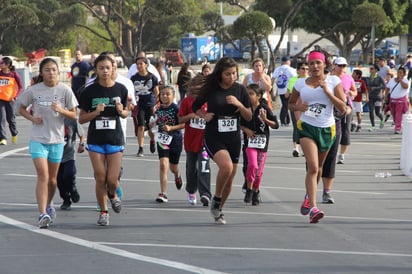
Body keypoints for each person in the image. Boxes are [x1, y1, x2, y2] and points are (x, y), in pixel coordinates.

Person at [18, 58, 78, 228]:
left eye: (53, 70)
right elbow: (20, 107)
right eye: (47, 70)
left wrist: (61, 110)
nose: (51, 73)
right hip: (38, 139)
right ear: (41, 73)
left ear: (58, 72)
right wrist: (31, 118)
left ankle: (49, 204)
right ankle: (42, 213)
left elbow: (74, 115)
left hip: (57, 140)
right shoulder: (34, 90)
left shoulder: (64, 90)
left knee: (52, 180)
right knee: (43, 176)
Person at [192, 57, 252, 224]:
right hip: (214, 135)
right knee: (225, 167)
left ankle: (218, 210)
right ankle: (216, 199)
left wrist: (239, 105)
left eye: (234, 73)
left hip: (233, 138)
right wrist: (204, 115)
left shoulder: (240, 90)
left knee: (230, 177)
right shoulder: (211, 89)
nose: (232, 77)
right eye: (228, 74)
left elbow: (248, 115)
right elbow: (195, 106)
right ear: (220, 74)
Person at [288, 50, 346, 223]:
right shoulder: (300, 84)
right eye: (311, 63)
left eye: (317, 63)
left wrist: (328, 92)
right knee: (312, 167)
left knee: (319, 168)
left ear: (324, 65)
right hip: (307, 128)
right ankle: (313, 208)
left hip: (327, 129)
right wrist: (300, 108)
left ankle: (308, 197)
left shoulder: (334, 81)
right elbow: (291, 104)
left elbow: (342, 107)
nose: (314, 66)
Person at [78, 54, 129, 226]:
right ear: (96, 70)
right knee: (100, 178)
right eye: (101, 68)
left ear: (113, 68)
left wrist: (122, 111)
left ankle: (113, 195)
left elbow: (126, 113)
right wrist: (96, 112)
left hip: (115, 139)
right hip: (96, 140)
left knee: (112, 180)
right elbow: (82, 118)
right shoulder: (89, 91)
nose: (105, 71)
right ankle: (103, 211)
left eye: (108, 67)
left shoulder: (121, 89)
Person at [241, 84, 278, 205]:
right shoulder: (245, 108)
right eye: (247, 94)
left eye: (251, 94)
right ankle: (249, 189)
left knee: (259, 171)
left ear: (258, 96)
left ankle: (256, 191)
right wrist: (246, 131)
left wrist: (265, 119)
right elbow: (238, 123)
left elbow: (275, 124)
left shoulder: (264, 108)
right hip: (250, 143)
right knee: (252, 165)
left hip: (262, 144)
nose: (248, 96)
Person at [179, 76, 212, 206]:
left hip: (206, 142)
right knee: (191, 169)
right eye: (198, 86)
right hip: (190, 141)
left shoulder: (210, 101)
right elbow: (180, 119)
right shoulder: (187, 101)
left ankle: (205, 194)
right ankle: (191, 190)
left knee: (204, 167)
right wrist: (191, 116)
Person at [151, 85, 185, 203]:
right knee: (163, 165)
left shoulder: (176, 108)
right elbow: (153, 122)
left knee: (173, 167)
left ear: (173, 96)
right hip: (162, 139)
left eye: (167, 94)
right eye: (162, 94)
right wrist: (152, 125)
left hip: (175, 139)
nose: (164, 96)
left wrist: (171, 127)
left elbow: (183, 124)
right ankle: (163, 193)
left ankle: (177, 175)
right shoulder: (157, 109)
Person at [130, 56, 159, 157]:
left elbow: (156, 92)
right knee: (141, 126)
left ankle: (152, 140)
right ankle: (141, 148)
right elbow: (131, 92)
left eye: (141, 64)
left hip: (150, 105)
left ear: (146, 65)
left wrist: (157, 103)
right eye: (137, 64)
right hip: (139, 106)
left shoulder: (152, 77)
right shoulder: (134, 78)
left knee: (151, 127)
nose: (139, 66)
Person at [57, 119, 86, 210]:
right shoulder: (51, 119)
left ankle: (73, 188)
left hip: (69, 154)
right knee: (59, 180)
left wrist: (82, 144)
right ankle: (66, 199)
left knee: (69, 174)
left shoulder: (72, 120)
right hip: (55, 155)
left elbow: (81, 134)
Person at [333, 57, 357, 165]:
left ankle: (341, 154)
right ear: (334, 65)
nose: (342, 68)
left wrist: (353, 93)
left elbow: (354, 90)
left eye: (344, 66)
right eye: (340, 65)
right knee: (332, 132)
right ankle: (331, 152)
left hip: (347, 106)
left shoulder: (348, 78)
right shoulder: (329, 77)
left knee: (345, 131)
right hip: (332, 107)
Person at [287, 62, 309, 157]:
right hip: (296, 106)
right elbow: (288, 94)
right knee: (297, 127)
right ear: (298, 70)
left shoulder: (311, 80)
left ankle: (306, 148)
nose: (305, 71)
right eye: (303, 68)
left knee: (307, 128)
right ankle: (295, 148)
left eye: (307, 69)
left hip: (307, 107)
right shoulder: (294, 80)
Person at [0, 57, 23, 145]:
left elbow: (20, 87)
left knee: (11, 119)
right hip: (0, 99)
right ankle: (3, 138)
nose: (0, 64)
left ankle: (14, 133)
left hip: (10, 99)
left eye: (2, 63)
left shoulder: (13, 74)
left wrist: (16, 96)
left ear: (7, 65)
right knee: (1, 118)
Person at [271, 56, 297, 126]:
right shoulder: (291, 69)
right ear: (288, 61)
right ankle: (283, 121)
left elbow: (273, 79)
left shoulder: (278, 69)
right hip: (288, 90)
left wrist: (271, 88)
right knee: (286, 106)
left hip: (280, 90)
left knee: (285, 104)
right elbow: (296, 78)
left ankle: (287, 121)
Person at [384, 66, 410, 134]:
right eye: (398, 72)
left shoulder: (405, 80)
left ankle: (397, 128)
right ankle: (398, 125)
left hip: (400, 101)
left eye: (401, 72)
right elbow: (387, 88)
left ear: (404, 74)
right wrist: (386, 95)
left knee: (398, 114)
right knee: (394, 114)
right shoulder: (392, 80)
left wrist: (400, 80)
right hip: (392, 100)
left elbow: (405, 87)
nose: (399, 74)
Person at [364, 64, 386, 132]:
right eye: (370, 69)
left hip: (378, 97)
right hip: (371, 97)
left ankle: (382, 119)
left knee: (377, 112)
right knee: (371, 111)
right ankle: (372, 126)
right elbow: (365, 87)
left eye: (372, 69)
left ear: (376, 70)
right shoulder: (368, 77)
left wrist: (376, 88)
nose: (370, 70)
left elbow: (384, 86)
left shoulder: (379, 77)